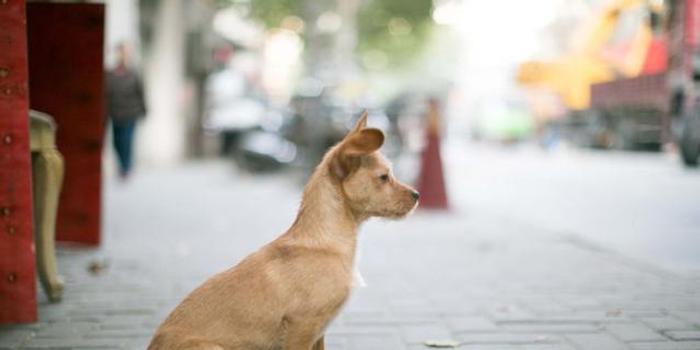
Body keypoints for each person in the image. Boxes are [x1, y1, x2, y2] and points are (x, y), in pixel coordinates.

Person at [106, 43, 146, 179]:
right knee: (116, 141)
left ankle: (126, 167)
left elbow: (141, 93)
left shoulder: (134, 73)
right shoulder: (110, 74)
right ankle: (122, 165)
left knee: (127, 140)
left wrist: (144, 110)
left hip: (130, 112)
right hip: (115, 112)